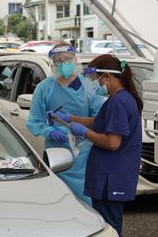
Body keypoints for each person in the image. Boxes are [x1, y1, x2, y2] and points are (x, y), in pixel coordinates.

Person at [53, 55, 143, 237]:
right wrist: (71, 119)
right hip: (112, 176)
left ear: (107, 76)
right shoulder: (121, 100)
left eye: (95, 77)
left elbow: (112, 142)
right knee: (112, 232)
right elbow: (100, 123)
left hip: (112, 177)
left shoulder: (119, 102)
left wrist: (86, 134)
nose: (94, 82)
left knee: (113, 235)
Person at [27, 41, 104, 204]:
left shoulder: (87, 86)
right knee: (60, 199)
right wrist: (49, 131)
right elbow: (34, 121)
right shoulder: (45, 88)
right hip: (57, 152)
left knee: (86, 200)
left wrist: (83, 130)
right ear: (53, 64)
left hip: (85, 152)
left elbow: (99, 119)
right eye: (59, 61)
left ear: (75, 60)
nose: (64, 64)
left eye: (67, 59)